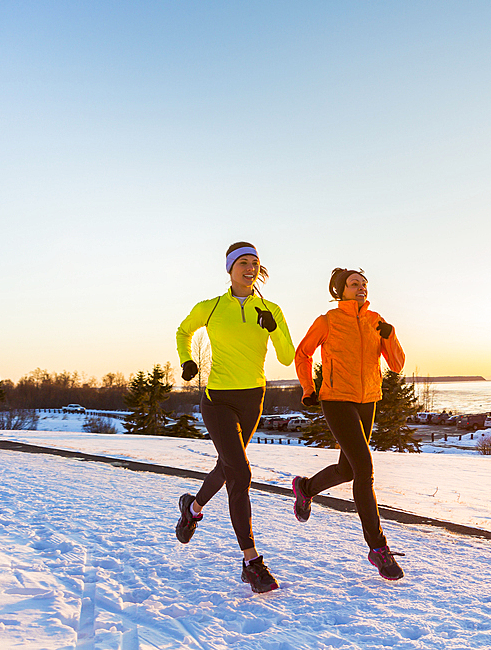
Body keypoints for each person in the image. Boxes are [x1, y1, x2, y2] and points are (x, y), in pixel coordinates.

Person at [174, 242, 295, 593]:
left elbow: (287, 358)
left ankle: (192, 508)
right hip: (218, 400)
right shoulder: (210, 308)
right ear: (229, 269)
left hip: (252, 399)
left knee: (227, 467)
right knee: (240, 472)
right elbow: (184, 331)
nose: (250, 268)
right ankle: (251, 562)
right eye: (243, 262)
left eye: (255, 263)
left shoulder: (270, 308)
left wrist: (273, 327)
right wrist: (187, 360)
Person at [291, 268, 407, 580]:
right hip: (336, 400)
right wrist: (308, 389)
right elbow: (302, 354)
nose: (361, 288)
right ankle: (377, 548)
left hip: (367, 400)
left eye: (365, 284)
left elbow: (396, 364)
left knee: (347, 470)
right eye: (354, 284)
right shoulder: (328, 320)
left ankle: (305, 488)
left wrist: (390, 335)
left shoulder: (376, 321)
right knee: (364, 470)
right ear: (339, 290)